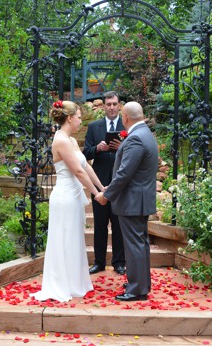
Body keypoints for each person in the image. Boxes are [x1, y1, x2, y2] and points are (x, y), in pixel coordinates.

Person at [31, 100, 105, 302]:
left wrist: (101, 187)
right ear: (70, 118)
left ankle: (74, 283)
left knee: (74, 239)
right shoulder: (61, 141)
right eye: (79, 117)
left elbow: (87, 166)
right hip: (64, 197)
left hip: (73, 197)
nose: (81, 121)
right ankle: (62, 284)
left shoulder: (71, 140)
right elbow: (78, 171)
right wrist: (95, 195)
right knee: (64, 240)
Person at [94, 102, 158, 301]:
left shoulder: (135, 138)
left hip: (132, 201)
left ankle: (137, 289)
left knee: (135, 246)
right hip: (138, 199)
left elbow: (124, 174)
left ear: (126, 118)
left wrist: (106, 195)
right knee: (140, 243)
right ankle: (141, 282)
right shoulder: (146, 134)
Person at [83, 91, 126, 276]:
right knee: (100, 224)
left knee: (118, 224)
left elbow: (133, 150)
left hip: (119, 182)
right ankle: (98, 262)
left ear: (119, 105)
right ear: (104, 106)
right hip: (99, 181)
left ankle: (119, 263)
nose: (112, 107)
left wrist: (120, 147)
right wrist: (98, 149)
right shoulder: (94, 127)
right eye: (108, 104)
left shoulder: (126, 125)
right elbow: (85, 154)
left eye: (114, 104)